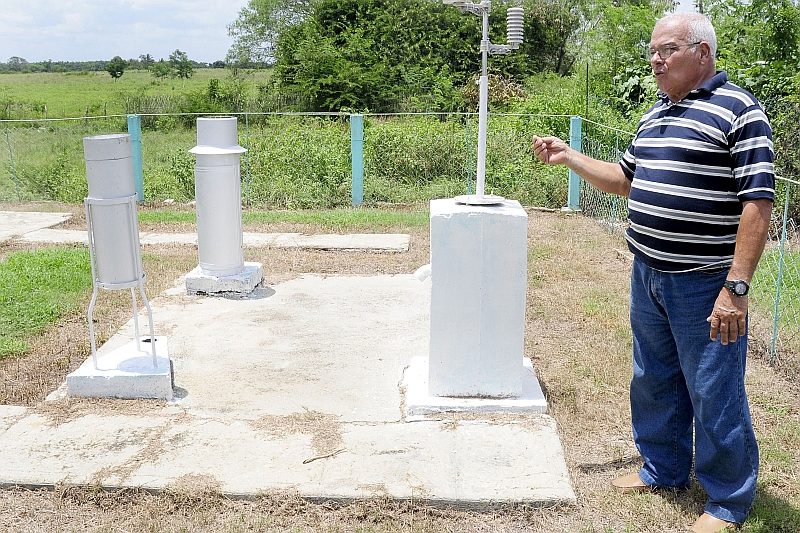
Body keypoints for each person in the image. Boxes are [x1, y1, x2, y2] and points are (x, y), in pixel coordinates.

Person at [532, 12, 774, 533]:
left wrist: (737, 286)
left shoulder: (740, 112)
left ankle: (727, 501)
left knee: (713, 388)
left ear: (702, 53)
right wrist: (569, 156)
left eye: (667, 50)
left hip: (705, 281)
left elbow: (758, 204)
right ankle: (663, 470)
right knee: (654, 378)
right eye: (652, 52)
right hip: (648, 272)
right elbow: (624, 180)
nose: (655, 60)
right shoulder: (654, 116)